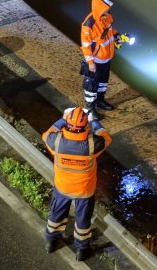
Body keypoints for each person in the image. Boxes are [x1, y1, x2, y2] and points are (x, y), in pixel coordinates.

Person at [43, 106, 112, 261]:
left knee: (56, 215)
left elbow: (46, 134)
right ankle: (81, 250)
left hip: (62, 187)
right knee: (83, 220)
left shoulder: (56, 141)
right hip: (84, 190)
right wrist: (94, 122)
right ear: (85, 126)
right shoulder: (93, 145)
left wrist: (62, 119)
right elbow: (106, 137)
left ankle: (51, 241)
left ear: (67, 124)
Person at [80, 0, 119, 119]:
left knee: (103, 82)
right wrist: (90, 63)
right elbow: (85, 46)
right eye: (105, 8)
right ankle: (90, 108)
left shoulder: (107, 17)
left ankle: (100, 100)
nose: (107, 10)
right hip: (95, 61)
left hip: (106, 58)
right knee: (91, 85)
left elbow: (110, 30)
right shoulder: (88, 25)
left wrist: (117, 36)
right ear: (99, 8)